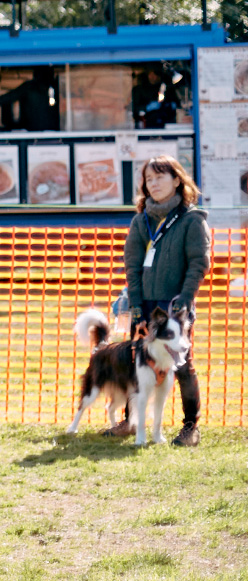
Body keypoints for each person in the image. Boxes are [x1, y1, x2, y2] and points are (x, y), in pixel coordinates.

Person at [113, 155, 211, 446]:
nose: (152, 184)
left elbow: (198, 263)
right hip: (144, 304)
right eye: (148, 179)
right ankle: (131, 422)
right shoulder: (141, 220)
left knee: (181, 365)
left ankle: (190, 426)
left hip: (175, 306)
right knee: (136, 363)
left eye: (159, 177)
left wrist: (185, 298)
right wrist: (135, 305)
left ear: (177, 180)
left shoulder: (192, 219)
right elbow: (132, 266)